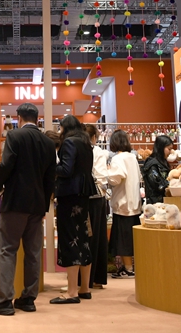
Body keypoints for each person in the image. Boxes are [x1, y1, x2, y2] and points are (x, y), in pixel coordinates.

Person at [0, 103, 56, 316]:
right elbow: (50, 177)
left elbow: (6, 165)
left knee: (8, 249)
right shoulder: (48, 143)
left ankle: (4, 300)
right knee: (33, 252)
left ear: (19, 118)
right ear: (37, 118)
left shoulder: (15, 136)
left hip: (15, 202)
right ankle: (28, 299)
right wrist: (44, 205)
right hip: (37, 205)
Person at [50, 116, 95, 305]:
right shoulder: (86, 143)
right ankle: (84, 288)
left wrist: (51, 167)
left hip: (70, 195)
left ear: (65, 128)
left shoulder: (69, 142)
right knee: (83, 237)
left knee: (70, 239)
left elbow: (66, 170)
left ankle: (71, 292)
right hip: (84, 194)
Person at [106, 129, 142, 279]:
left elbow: (116, 178)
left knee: (123, 238)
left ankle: (128, 268)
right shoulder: (132, 157)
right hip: (134, 202)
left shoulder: (118, 159)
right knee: (131, 237)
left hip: (123, 203)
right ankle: (130, 266)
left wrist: (107, 172)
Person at [85, 124, 109, 289]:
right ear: (94, 137)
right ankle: (95, 278)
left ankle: (89, 279)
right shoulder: (97, 152)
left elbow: (100, 176)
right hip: (96, 197)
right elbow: (102, 176)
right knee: (97, 237)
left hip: (90, 198)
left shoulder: (96, 152)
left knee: (90, 237)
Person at [142, 134, 173, 205]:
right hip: (155, 205)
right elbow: (158, 185)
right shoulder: (152, 165)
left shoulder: (162, 162)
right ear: (161, 148)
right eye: (169, 149)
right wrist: (171, 184)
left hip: (163, 202)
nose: (170, 152)